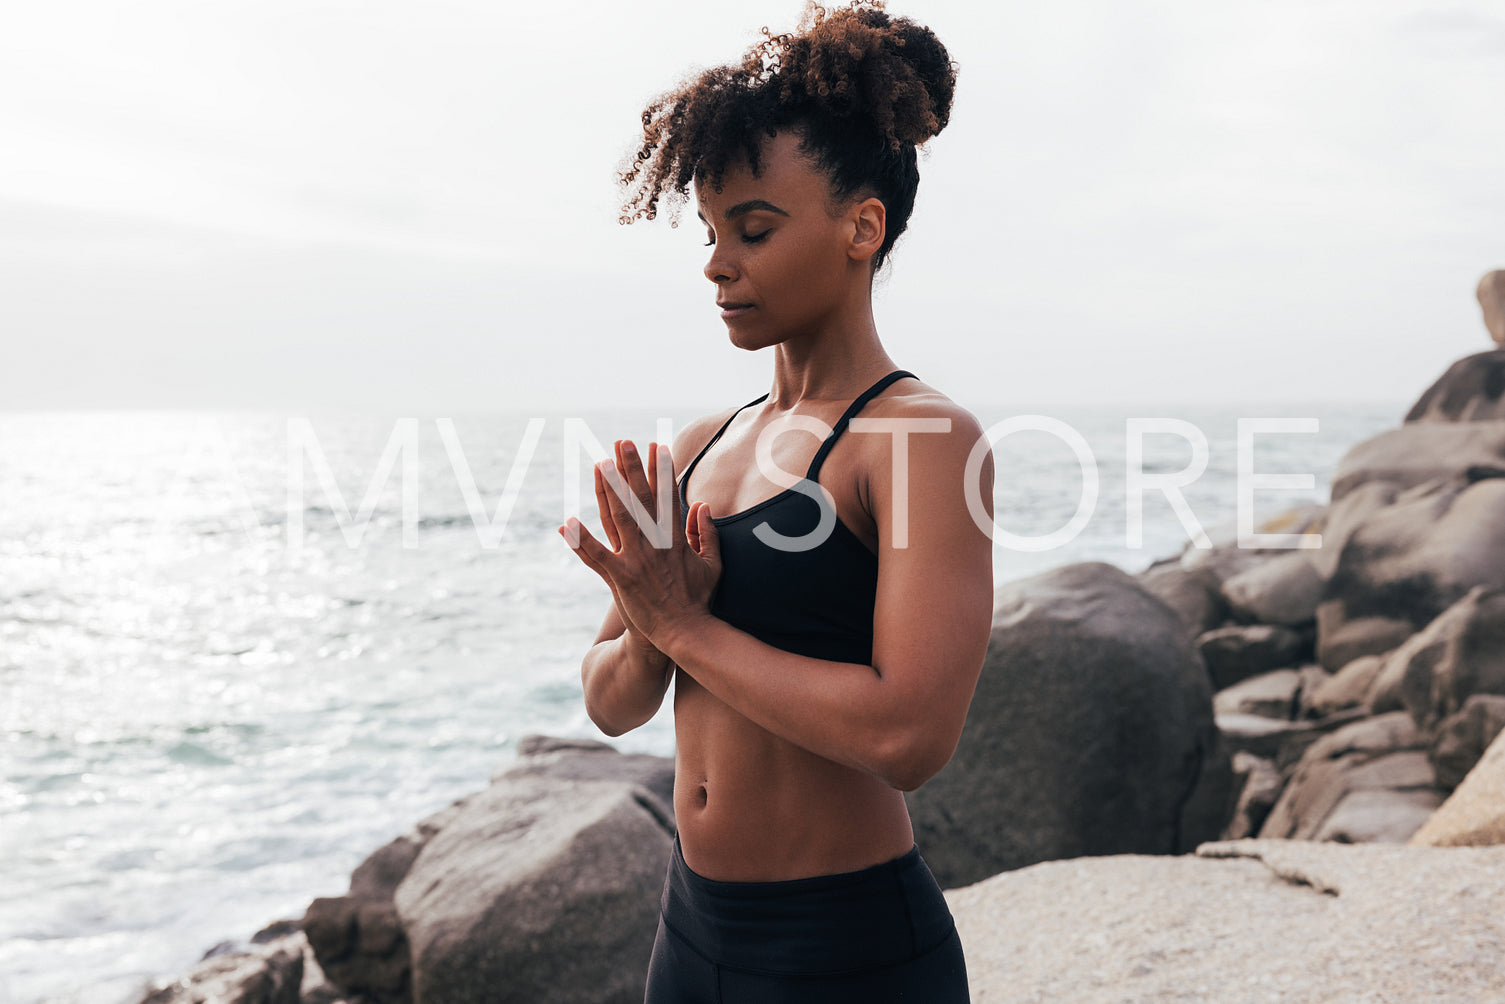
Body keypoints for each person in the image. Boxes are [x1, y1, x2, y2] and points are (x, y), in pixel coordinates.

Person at [558, 3, 992, 1000]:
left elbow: (909, 736)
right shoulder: (698, 444)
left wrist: (681, 622)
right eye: (710, 231)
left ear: (859, 225)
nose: (716, 262)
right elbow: (608, 699)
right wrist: (645, 631)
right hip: (691, 930)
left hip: (845, 946)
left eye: (751, 228)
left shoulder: (919, 438)